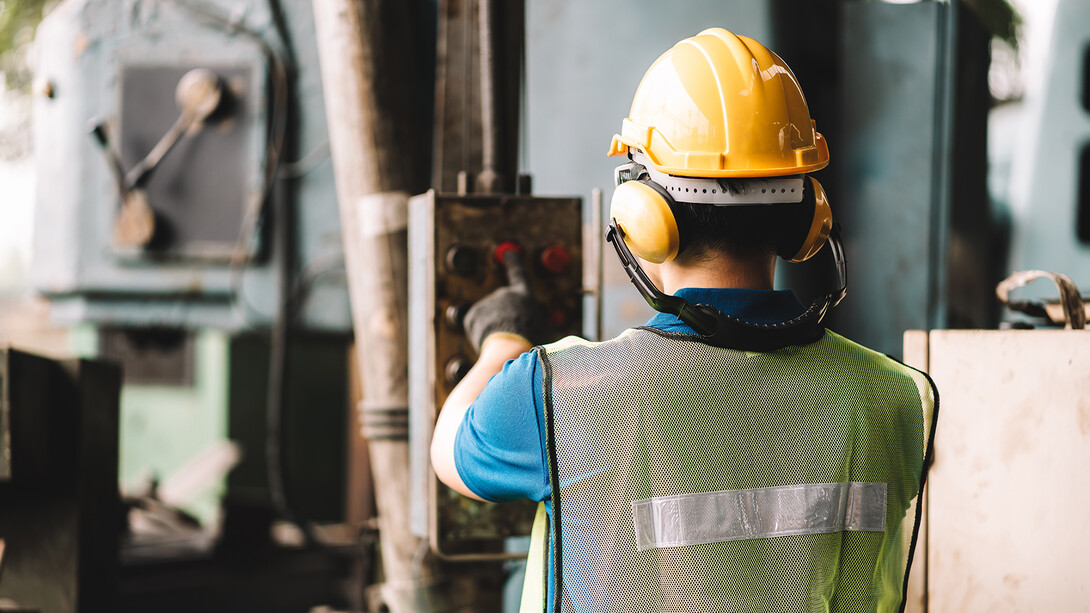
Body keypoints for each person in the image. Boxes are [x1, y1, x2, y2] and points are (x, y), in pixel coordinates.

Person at [431, 27, 937, 613]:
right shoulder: (894, 399)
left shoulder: (555, 392)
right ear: (805, 218)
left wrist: (503, 340)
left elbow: (450, 451)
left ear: (643, 215)